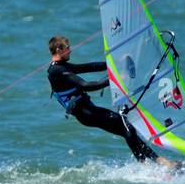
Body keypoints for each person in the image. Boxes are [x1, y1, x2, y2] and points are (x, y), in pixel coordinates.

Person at [46, 35, 170, 166]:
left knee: (127, 130)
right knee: (126, 126)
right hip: (86, 113)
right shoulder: (57, 70)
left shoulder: (61, 66)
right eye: (67, 47)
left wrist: (114, 63)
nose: (70, 50)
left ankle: (161, 162)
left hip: (87, 112)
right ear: (59, 49)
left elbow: (89, 67)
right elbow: (85, 85)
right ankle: (148, 166)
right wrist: (113, 80)